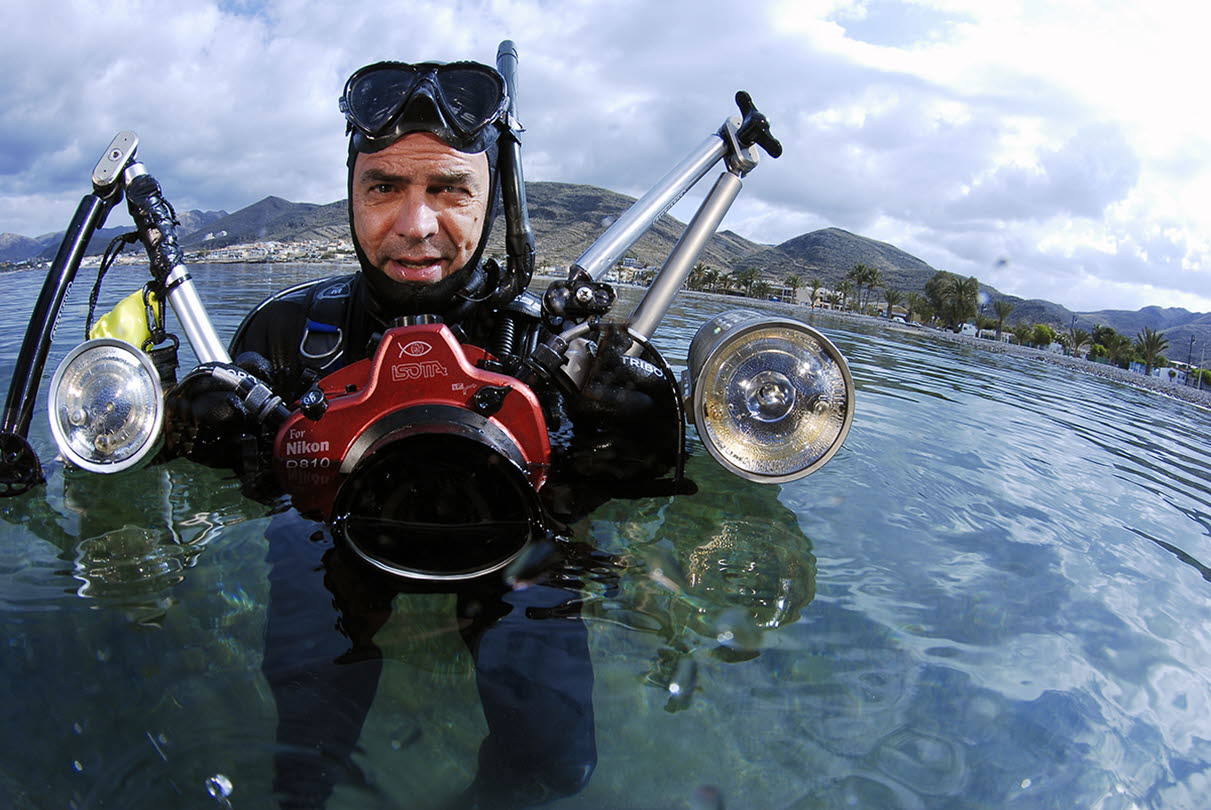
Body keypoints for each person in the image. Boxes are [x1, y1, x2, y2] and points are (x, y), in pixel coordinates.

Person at [166, 57, 686, 809]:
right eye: (383, 187)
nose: (415, 226)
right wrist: (211, 439)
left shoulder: (555, 353)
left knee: (555, 762)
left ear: (494, 199)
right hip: (334, 544)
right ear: (349, 192)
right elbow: (248, 481)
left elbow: (609, 493)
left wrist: (642, 446)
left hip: (512, 545)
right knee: (302, 757)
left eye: (448, 189)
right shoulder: (283, 336)